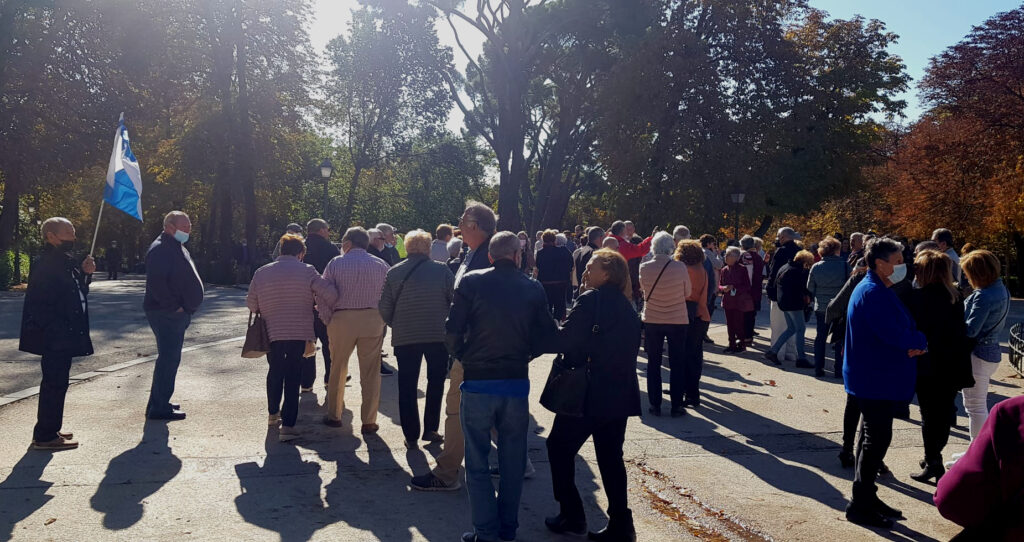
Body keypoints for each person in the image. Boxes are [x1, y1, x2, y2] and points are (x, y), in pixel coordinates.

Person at [446, 232, 553, 542]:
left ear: (490, 256)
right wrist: (525, 354)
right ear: (517, 256)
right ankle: (507, 528)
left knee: (477, 462)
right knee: (512, 462)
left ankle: (486, 531)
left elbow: (452, 329)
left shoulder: (472, 282)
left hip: (478, 380)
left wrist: (465, 357)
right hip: (515, 382)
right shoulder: (532, 287)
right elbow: (547, 335)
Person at [543, 249, 642, 541]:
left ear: (607, 273)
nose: (584, 272)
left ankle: (572, 515)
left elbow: (565, 339)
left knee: (558, 448)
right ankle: (621, 525)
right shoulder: (627, 306)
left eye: (590, 267)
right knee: (611, 457)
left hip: (589, 392)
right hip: (619, 393)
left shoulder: (590, 300)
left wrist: (544, 326)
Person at [411, 201, 496, 492]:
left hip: (472, 348)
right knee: (484, 409)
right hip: (475, 347)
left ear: (473, 225)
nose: (457, 224)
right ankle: (518, 463)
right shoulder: (474, 253)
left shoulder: (486, 257)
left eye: (462, 219)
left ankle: (447, 474)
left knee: (456, 410)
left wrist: (458, 340)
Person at [843, 237, 927, 529]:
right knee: (876, 440)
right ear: (880, 263)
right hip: (875, 377)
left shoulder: (875, 287)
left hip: (873, 376)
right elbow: (892, 333)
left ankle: (866, 497)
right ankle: (860, 503)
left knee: (871, 438)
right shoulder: (873, 292)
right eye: (898, 261)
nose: (904, 266)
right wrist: (920, 342)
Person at [246, 234, 336, 442]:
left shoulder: (262, 272)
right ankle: (288, 425)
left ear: (280, 251)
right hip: (299, 331)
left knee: (275, 370)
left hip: (271, 331)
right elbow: (329, 294)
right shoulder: (308, 271)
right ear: (301, 253)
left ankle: (272, 413)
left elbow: (251, 304)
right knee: (294, 373)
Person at [20, 217, 96, 450]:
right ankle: (44, 435)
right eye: (67, 232)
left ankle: (50, 428)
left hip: (64, 333)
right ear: (51, 236)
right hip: (56, 335)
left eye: (73, 232)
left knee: (58, 382)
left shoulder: (64, 261)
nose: (72, 237)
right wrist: (55, 331)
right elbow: (40, 303)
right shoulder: (46, 264)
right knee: (54, 383)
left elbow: (77, 292)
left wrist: (86, 274)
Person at [379, 230, 455, 449]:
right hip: (437, 335)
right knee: (436, 382)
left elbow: (383, 306)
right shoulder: (442, 271)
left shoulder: (394, 272)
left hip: (405, 337)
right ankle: (431, 429)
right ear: (429, 248)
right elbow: (454, 301)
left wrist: (397, 323)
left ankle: (410, 434)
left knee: (407, 384)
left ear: (408, 248)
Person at [904, 249, 973, 482]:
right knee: (944, 412)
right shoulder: (954, 296)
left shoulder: (917, 297)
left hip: (928, 361)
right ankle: (934, 454)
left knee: (928, 414)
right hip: (952, 362)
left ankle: (932, 459)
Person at [320, 227, 391, 433]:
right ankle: (369, 420)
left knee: (338, 367)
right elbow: (389, 294)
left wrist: (327, 318)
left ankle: (334, 415)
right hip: (372, 318)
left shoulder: (336, 263)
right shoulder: (380, 264)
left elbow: (324, 292)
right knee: (370, 371)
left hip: (342, 318)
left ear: (348, 243)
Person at [934, 395, 1024, 540]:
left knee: (975, 405)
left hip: (1000, 524)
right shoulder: (1011, 410)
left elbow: (950, 496)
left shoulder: (1012, 409)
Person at [143, 211, 204, 421]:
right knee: (169, 359)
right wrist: (174, 308)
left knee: (168, 359)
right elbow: (157, 283)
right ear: (169, 226)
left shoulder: (174, 246)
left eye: (189, 226)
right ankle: (159, 407)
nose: (188, 230)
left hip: (173, 312)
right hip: (166, 313)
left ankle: (158, 402)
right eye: (184, 226)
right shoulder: (161, 249)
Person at [952, 250, 1010, 460]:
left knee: (974, 407)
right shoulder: (999, 288)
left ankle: (979, 455)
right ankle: (977, 452)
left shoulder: (985, 296)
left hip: (978, 354)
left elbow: (971, 330)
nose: (966, 277)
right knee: (976, 405)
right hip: (989, 351)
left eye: (968, 273)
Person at [639, 232, 692, 417]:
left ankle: (655, 404)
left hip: (653, 319)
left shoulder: (644, 267)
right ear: (672, 247)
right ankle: (677, 405)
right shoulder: (680, 267)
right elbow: (688, 292)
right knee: (677, 361)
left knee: (653, 363)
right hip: (677, 319)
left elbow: (643, 290)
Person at [300, 218, 340, 392]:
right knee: (329, 343)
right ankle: (330, 379)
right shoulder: (330, 248)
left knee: (308, 342)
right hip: (325, 300)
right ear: (322, 230)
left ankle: (307, 382)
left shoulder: (300, 247)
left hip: (303, 302)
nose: (329, 232)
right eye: (328, 229)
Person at [807, 237, 850, 376]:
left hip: (821, 307)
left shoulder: (816, 266)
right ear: (836, 250)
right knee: (839, 339)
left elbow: (810, 287)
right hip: (839, 306)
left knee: (821, 337)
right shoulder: (844, 265)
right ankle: (838, 369)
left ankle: (819, 368)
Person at [675, 240, 711, 408]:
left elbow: (686, 294)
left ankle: (690, 393)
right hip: (701, 314)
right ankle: (689, 391)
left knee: (687, 356)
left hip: (690, 315)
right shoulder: (701, 268)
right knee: (695, 355)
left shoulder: (687, 270)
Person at [766, 250, 815, 368]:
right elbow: (804, 288)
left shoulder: (785, 267)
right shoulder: (799, 271)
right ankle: (801, 358)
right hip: (794, 303)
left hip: (783, 302)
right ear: (805, 261)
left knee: (792, 328)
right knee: (800, 329)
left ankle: (773, 351)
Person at [766, 227, 801, 359]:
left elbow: (773, 272)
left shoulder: (781, 251)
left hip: (779, 292)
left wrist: (770, 291)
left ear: (782, 237)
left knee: (777, 325)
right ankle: (791, 353)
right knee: (791, 325)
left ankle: (777, 352)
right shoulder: (799, 251)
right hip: (795, 293)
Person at [719, 246, 754, 354]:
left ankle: (741, 344)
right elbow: (720, 285)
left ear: (735, 257)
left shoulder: (742, 269)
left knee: (738, 323)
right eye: (726, 255)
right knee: (729, 323)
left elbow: (747, 286)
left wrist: (734, 287)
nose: (726, 257)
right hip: (727, 300)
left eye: (728, 255)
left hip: (739, 300)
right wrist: (723, 288)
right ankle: (731, 344)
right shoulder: (724, 270)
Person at [536, 229, 574, 321]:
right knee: (560, 305)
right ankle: (559, 323)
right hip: (561, 283)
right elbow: (571, 264)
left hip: (545, 283)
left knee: (547, 305)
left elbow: (538, 266)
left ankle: (547, 323)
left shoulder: (540, 253)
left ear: (543, 240)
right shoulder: (563, 251)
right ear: (554, 240)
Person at [739, 236, 765, 347]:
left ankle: (744, 338)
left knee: (744, 315)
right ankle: (748, 337)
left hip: (747, 291)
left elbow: (747, 274)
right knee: (751, 315)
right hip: (756, 290)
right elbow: (763, 273)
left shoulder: (746, 256)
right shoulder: (758, 257)